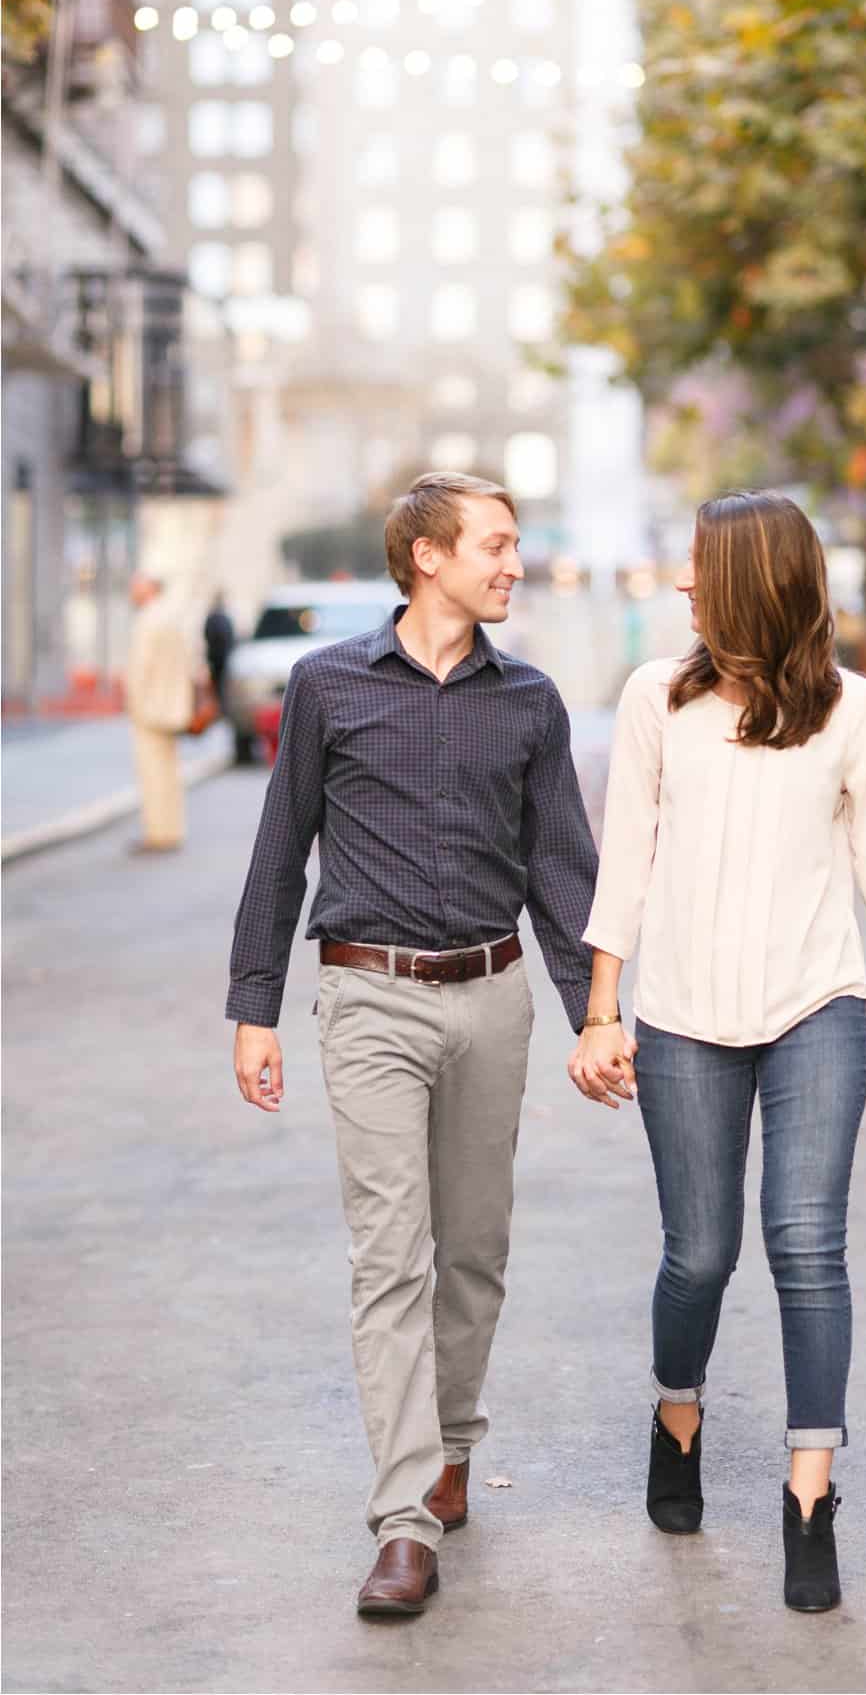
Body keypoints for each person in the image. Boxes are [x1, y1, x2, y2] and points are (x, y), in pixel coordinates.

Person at [226, 472, 613, 1619]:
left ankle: (450, 1441)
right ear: (428, 555)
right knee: (389, 1255)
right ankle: (403, 1518)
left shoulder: (530, 700)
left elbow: (561, 869)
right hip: (369, 999)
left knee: (475, 1252)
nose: (514, 564)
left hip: (492, 998)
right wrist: (254, 1004)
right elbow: (278, 850)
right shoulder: (327, 685)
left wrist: (596, 1007)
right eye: (496, 545)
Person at [569, 490, 866, 1613]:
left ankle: (807, 1495)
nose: (682, 581)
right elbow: (624, 864)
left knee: (808, 1242)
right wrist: (603, 1008)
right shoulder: (657, 700)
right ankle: (677, 1413)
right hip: (683, 1013)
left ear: (748, 577)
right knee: (699, 1252)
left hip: (816, 1007)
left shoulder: (855, 711)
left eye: (697, 563)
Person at [125, 568, 195, 854]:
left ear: (148, 588)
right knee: (169, 772)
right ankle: (172, 829)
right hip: (173, 706)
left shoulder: (147, 619)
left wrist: (133, 701)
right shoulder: (172, 617)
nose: (132, 591)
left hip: (150, 708)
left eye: (135, 585)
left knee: (153, 773)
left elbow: (140, 668)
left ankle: (157, 833)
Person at [203, 591, 236, 713]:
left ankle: (220, 706)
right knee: (219, 684)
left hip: (217, 656)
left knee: (220, 684)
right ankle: (220, 706)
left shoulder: (216, 618)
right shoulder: (222, 618)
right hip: (219, 656)